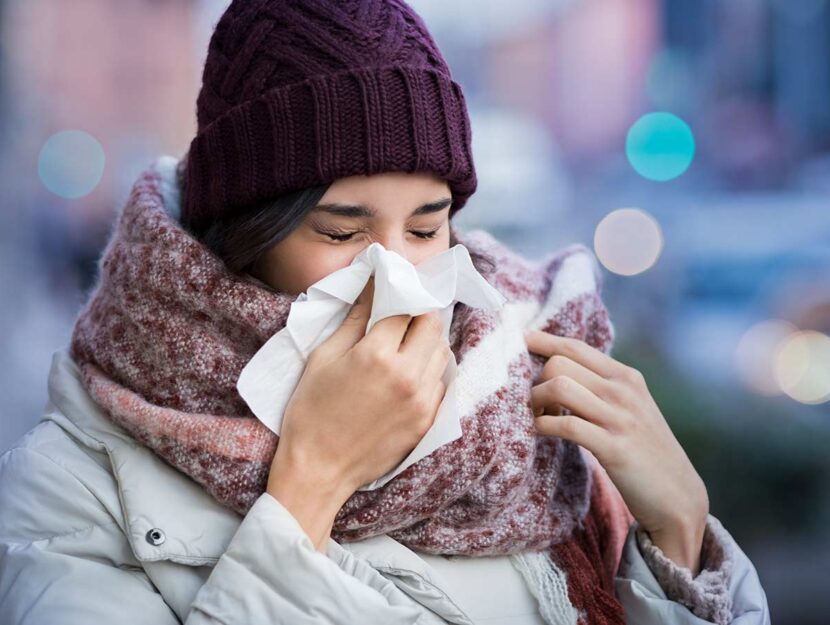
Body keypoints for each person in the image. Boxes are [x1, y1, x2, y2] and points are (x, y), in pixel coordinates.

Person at [0, 1, 770, 624]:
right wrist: (309, 485)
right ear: (239, 232)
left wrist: (680, 544)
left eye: (428, 226)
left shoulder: (522, 392)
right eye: (343, 230)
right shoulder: (73, 485)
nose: (399, 272)